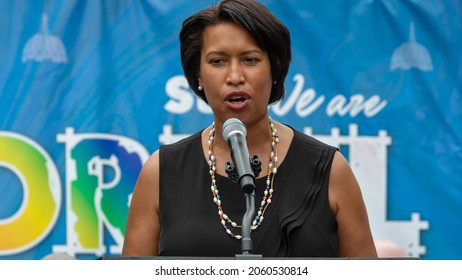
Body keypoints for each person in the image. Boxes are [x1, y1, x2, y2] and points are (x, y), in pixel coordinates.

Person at [122, 0, 377, 258]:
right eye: (218, 61)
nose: (235, 76)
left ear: (274, 69)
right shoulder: (162, 171)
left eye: (250, 59)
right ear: (198, 74)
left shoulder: (330, 169)